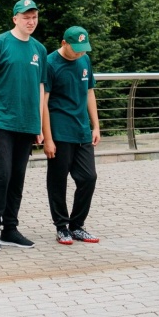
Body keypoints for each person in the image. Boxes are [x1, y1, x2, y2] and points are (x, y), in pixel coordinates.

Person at [0, 0, 48, 251]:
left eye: (34, 17)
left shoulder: (39, 49)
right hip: (2, 122)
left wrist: (39, 124)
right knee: (1, 176)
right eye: (26, 17)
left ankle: (10, 228)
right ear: (15, 19)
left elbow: (40, 87)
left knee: (17, 177)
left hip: (27, 123)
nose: (31, 21)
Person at [42, 27, 101, 245]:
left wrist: (96, 126)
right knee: (58, 180)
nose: (79, 53)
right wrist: (48, 138)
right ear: (64, 43)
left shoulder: (84, 60)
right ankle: (61, 226)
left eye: (83, 49)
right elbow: (43, 102)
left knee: (88, 177)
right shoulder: (50, 63)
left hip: (82, 130)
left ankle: (77, 225)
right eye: (76, 49)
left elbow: (89, 92)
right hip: (60, 130)